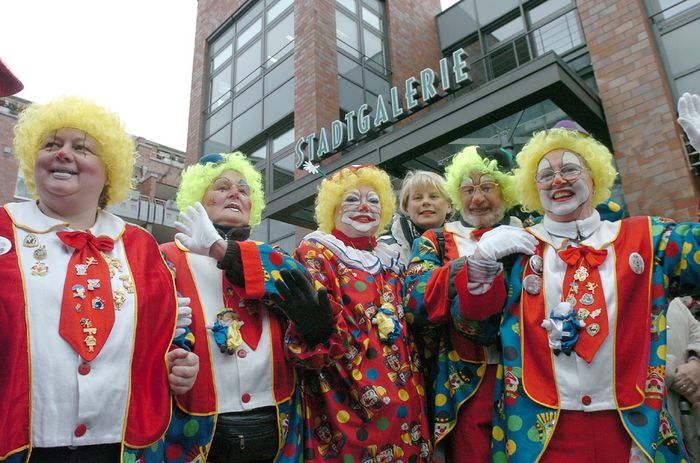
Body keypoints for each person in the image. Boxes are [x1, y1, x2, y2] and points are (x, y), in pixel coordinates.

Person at [458, 97, 700, 462]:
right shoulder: (518, 248)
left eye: (571, 169)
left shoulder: (645, 237)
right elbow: (475, 327)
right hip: (540, 435)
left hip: (635, 430)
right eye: (545, 175)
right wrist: (480, 265)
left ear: (594, 176)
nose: (558, 180)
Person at [0, 95, 198, 463]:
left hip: (122, 443)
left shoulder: (142, 246)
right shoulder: (2, 230)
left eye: (81, 148)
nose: (63, 153)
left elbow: (163, 333)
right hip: (16, 445)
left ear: (109, 169)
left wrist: (176, 362)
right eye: (51, 144)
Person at [281, 165, 431, 462]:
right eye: (352, 199)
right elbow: (312, 338)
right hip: (345, 404)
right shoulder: (317, 251)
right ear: (332, 208)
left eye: (373, 201)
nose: (364, 206)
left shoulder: (390, 260)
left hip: (406, 401)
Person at [161, 152, 305, 463]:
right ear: (199, 196)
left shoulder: (272, 256)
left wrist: (219, 247)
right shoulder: (165, 257)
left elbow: (301, 288)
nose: (235, 193)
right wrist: (169, 359)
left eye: (244, 188)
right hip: (196, 424)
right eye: (222, 186)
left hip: (273, 421)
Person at [403, 146, 521, 461]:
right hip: (466, 386)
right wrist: (468, 266)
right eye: (468, 189)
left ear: (505, 191)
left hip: (527, 379)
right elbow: (415, 300)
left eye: (486, 187)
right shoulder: (437, 240)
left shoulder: (530, 235)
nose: (477, 198)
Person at [378, 170, 452, 266]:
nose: (425, 202)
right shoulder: (384, 248)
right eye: (418, 198)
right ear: (406, 207)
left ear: (449, 206)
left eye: (433, 196)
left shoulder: (467, 242)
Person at [666, 295, 700, 461]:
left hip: (689, 417)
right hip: (651, 425)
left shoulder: (675, 304)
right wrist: (679, 377)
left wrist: (695, 363)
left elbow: (697, 334)